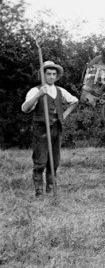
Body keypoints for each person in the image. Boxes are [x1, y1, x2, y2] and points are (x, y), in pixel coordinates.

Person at [21, 60, 78, 197]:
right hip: (40, 129)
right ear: (43, 75)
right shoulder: (35, 90)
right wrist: (38, 95)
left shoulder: (60, 90)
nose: (51, 76)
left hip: (56, 129)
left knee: (55, 161)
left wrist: (64, 114)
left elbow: (75, 101)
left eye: (54, 74)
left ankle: (51, 188)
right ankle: (39, 192)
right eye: (48, 74)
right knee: (40, 162)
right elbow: (24, 108)